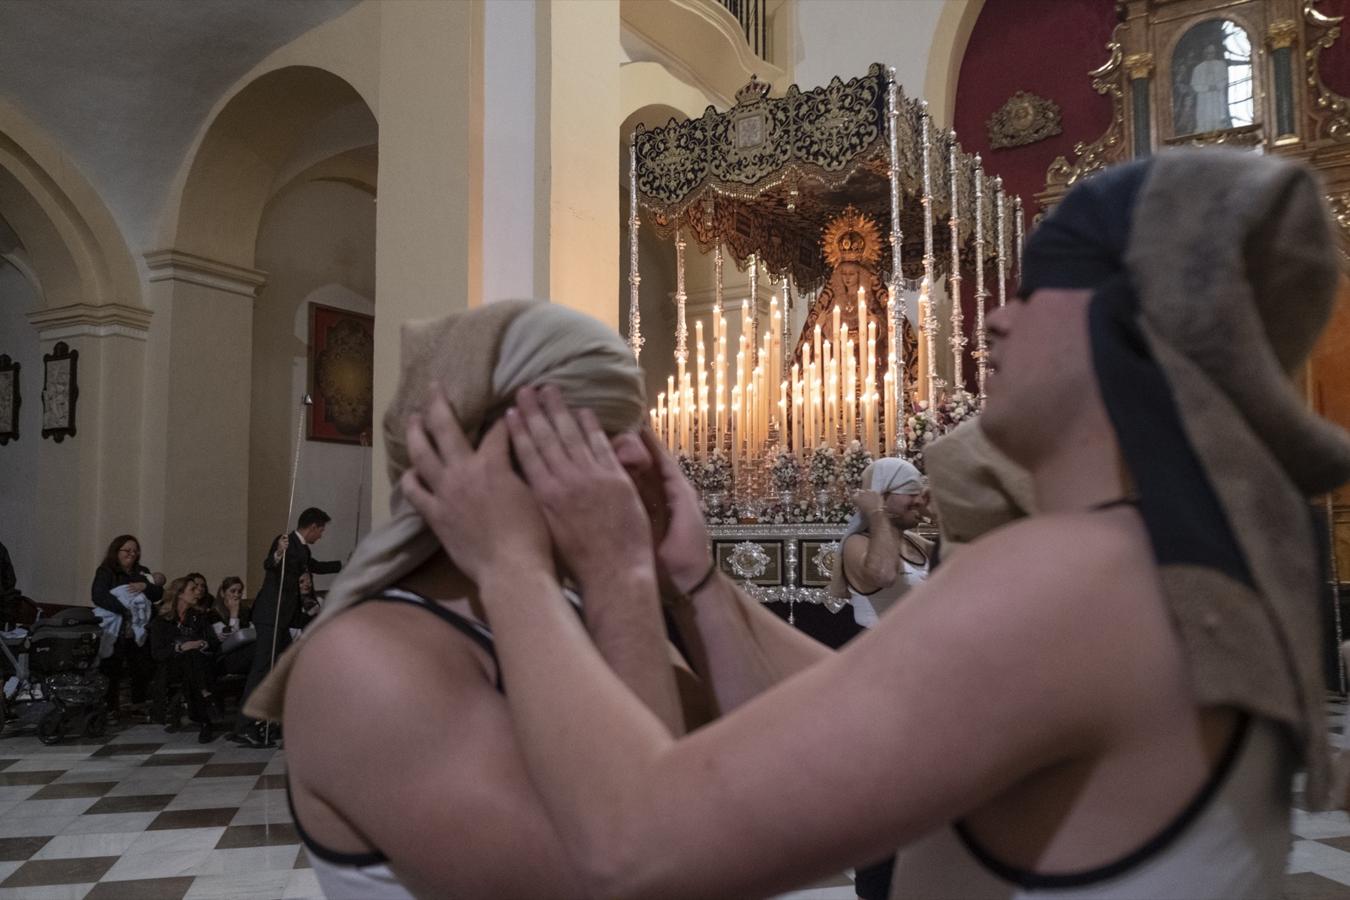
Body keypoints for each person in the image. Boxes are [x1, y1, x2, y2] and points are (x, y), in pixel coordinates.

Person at [401, 150, 1349, 898]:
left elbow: (637, 848)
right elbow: (871, 699)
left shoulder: (1074, 581)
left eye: (1033, 288)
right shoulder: (1140, 562)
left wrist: (522, 567)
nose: (997, 326)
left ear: (1126, 317)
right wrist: (698, 583)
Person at [242, 300, 696, 897]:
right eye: (606, 440)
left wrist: (681, 583)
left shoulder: (565, 607)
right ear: (490, 464)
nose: (640, 460)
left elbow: (717, 770)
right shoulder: (366, 665)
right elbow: (645, 876)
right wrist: (622, 574)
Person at [234, 507, 340, 745]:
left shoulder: (302, 548)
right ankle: (244, 725)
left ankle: (271, 721)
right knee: (262, 669)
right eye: (321, 530)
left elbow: (315, 566)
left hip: (282, 618)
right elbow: (270, 564)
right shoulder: (284, 541)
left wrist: (345, 564)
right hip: (271, 615)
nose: (321, 535)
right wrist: (278, 554)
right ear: (312, 527)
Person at [830, 457, 932, 630]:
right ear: (882, 496)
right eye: (911, 493)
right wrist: (877, 513)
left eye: (920, 493)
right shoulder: (856, 543)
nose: (919, 501)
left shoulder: (916, 543)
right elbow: (884, 575)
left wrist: (938, 510)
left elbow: (964, 559)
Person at [90, 534, 163, 721]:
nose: (132, 553)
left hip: (138, 627)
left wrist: (144, 586)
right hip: (116, 626)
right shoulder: (106, 571)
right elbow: (99, 595)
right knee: (111, 667)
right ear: (117, 551)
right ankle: (110, 707)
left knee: (141, 666)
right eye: (127, 550)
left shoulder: (143, 572)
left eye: (135, 550)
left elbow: (157, 594)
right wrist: (125, 610)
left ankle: (138, 705)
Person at [149, 576, 220, 743]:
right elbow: (157, 652)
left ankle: (204, 714)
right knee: (190, 656)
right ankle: (205, 701)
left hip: (197, 664)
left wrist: (202, 644)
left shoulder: (199, 616)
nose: (198, 592)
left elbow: (213, 641)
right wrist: (181, 647)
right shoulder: (162, 620)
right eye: (192, 589)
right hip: (171, 666)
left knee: (192, 657)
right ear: (180, 594)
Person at [210, 576, 255, 679]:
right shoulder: (213, 614)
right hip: (225, 657)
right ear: (222, 593)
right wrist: (233, 613)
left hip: (245, 652)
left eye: (239, 592)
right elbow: (231, 639)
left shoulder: (246, 612)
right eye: (233, 591)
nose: (236, 595)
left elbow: (253, 631)